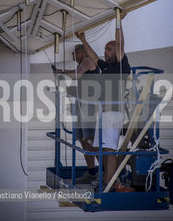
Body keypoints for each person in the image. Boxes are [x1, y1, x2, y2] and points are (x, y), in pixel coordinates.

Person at [76, 12, 135, 192]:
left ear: (116, 51)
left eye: (108, 49)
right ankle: (109, 182)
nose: (105, 52)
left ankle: (110, 184)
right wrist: (84, 40)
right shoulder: (107, 66)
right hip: (103, 112)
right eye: (105, 49)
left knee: (109, 150)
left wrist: (118, 23)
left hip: (113, 112)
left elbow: (120, 43)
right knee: (103, 150)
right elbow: (94, 57)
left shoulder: (120, 64)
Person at [54, 44, 100, 184]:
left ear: (82, 51)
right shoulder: (82, 67)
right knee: (82, 139)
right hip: (80, 105)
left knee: (90, 139)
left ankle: (103, 171)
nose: (73, 56)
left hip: (89, 107)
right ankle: (92, 171)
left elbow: (77, 73)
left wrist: (60, 71)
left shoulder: (88, 60)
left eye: (75, 52)